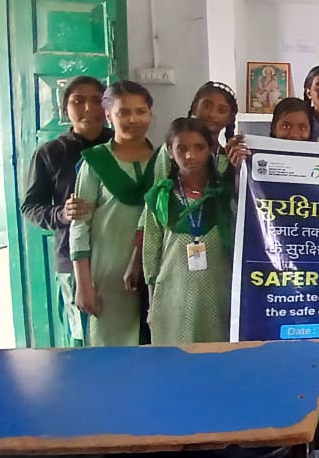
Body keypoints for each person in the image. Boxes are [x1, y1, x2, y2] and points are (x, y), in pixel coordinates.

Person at [20, 76, 111, 347]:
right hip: (72, 261)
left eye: (96, 100)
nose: (88, 108)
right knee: (82, 339)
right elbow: (30, 206)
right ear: (65, 108)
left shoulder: (123, 146)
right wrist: (62, 214)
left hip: (120, 257)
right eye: (78, 101)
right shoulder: (51, 153)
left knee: (125, 338)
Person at [69, 80, 158, 347]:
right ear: (108, 115)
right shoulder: (96, 161)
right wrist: (84, 284)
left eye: (141, 111)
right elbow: (80, 225)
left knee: (153, 348)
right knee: (111, 353)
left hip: (154, 273)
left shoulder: (163, 160)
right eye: (123, 112)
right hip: (106, 275)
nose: (133, 119)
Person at [142, 118, 234, 345]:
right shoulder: (160, 197)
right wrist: (152, 302)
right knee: (176, 355)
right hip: (173, 294)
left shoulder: (225, 195)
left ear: (210, 149)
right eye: (181, 148)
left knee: (217, 352)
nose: (190, 155)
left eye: (199, 147)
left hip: (219, 291)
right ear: (170, 152)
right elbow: (151, 251)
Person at [187, 81, 249, 175]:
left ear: (230, 118)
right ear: (195, 107)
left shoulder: (229, 157)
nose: (212, 114)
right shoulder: (174, 149)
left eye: (222, 110)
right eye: (207, 106)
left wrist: (235, 168)